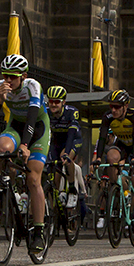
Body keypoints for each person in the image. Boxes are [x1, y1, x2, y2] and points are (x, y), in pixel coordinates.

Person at [0, 55, 49, 254]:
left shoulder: (32, 87)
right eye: (5, 76)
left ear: (23, 76)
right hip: (15, 125)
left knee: (33, 179)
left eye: (13, 77)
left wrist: (25, 145)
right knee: (1, 148)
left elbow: (31, 118)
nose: (8, 81)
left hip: (37, 129)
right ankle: (8, 184)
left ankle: (38, 232)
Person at [93, 89, 134, 231]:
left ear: (125, 106)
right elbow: (103, 138)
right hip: (122, 143)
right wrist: (98, 157)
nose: (114, 110)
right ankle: (116, 188)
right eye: (111, 106)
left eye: (117, 107)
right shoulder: (108, 117)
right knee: (111, 157)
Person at [45, 85, 86, 214]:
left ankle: (73, 189)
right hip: (56, 142)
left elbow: (71, 135)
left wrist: (67, 153)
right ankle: (55, 210)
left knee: (66, 158)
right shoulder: (45, 112)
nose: (53, 105)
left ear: (63, 102)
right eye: (51, 101)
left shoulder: (71, 112)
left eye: (57, 102)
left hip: (73, 140)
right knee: (54, 179)